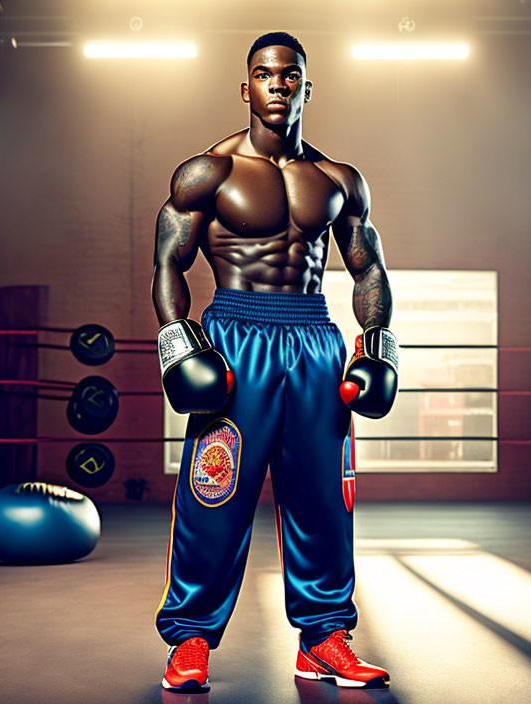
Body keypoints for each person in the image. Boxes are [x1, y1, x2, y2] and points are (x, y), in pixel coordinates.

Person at [151, 31, 399, 694]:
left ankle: (323, 638)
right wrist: (180, 344)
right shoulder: (209, 172)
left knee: (322, 498)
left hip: (314, 339)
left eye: (290, 75)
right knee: (216, 493)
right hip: (236, 337)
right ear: (246, 87)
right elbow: (168, 264)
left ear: (306, 87)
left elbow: (368, 267)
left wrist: (378, 345)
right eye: (264, 74)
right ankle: (192, 639)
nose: (278, 85)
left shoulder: (339, 180)